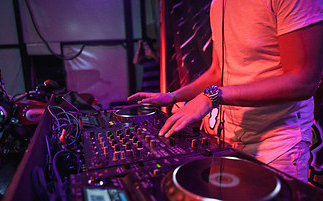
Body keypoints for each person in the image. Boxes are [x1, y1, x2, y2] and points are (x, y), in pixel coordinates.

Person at [128, 0, 323, 183]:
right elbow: (218, 71)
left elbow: (303, 80)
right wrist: (173, 96)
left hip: (278, 145)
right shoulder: (218, 3)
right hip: (227, 141)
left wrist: (211, 97)